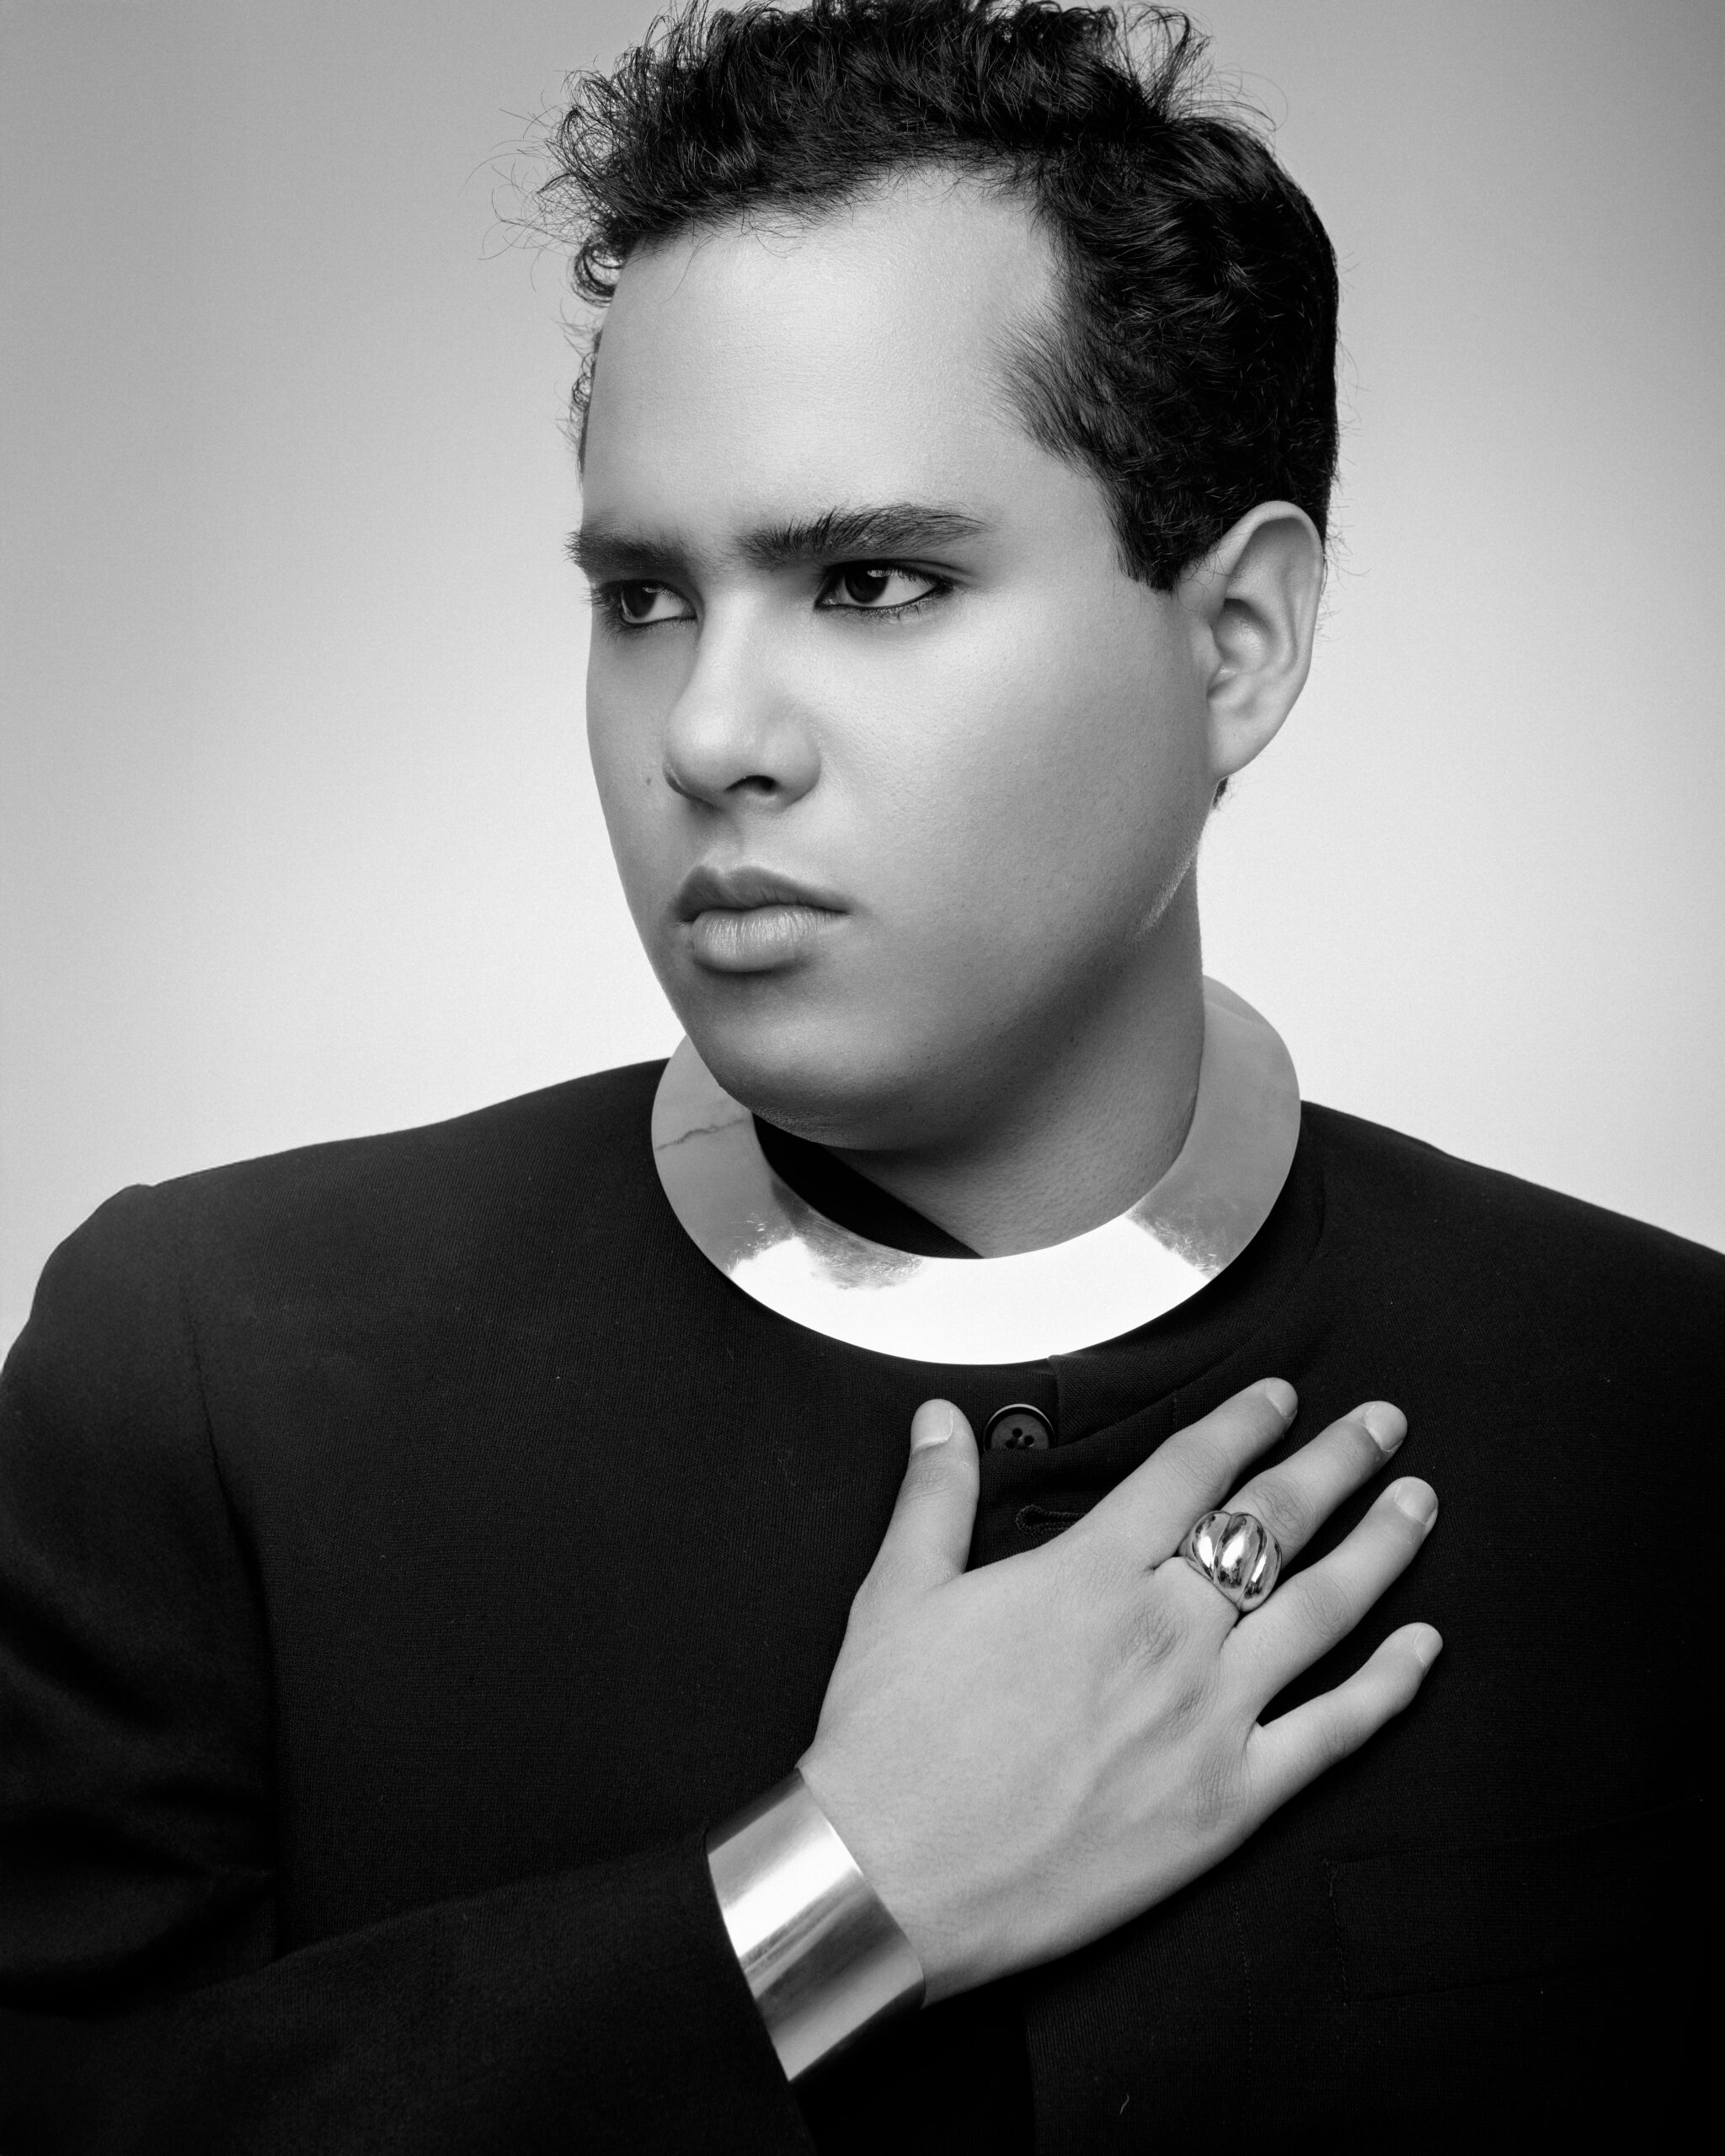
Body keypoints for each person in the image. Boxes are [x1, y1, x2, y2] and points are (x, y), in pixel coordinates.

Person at [0, 2, 1712, 2148]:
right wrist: (830, 1899)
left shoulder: (1667, 1407)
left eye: (871, 577)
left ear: (1241, 637)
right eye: (643, 593)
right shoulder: (206, 1369)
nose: (709, 731)